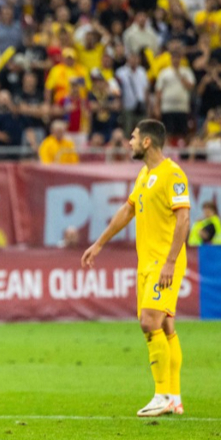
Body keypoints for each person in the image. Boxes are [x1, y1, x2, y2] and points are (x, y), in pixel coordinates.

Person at [82, 120, 190, 418]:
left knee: (148, 322)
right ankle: (175, 397)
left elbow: (183, 220)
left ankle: (162, 395)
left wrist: (169, 261)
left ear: (146, 142)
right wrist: (99, 243)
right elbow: (128, 210)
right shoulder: (144, 175)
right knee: (165, 326)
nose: (128, 141)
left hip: (164, 262)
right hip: (147, 262)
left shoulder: (173, 174)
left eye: (133, 137)